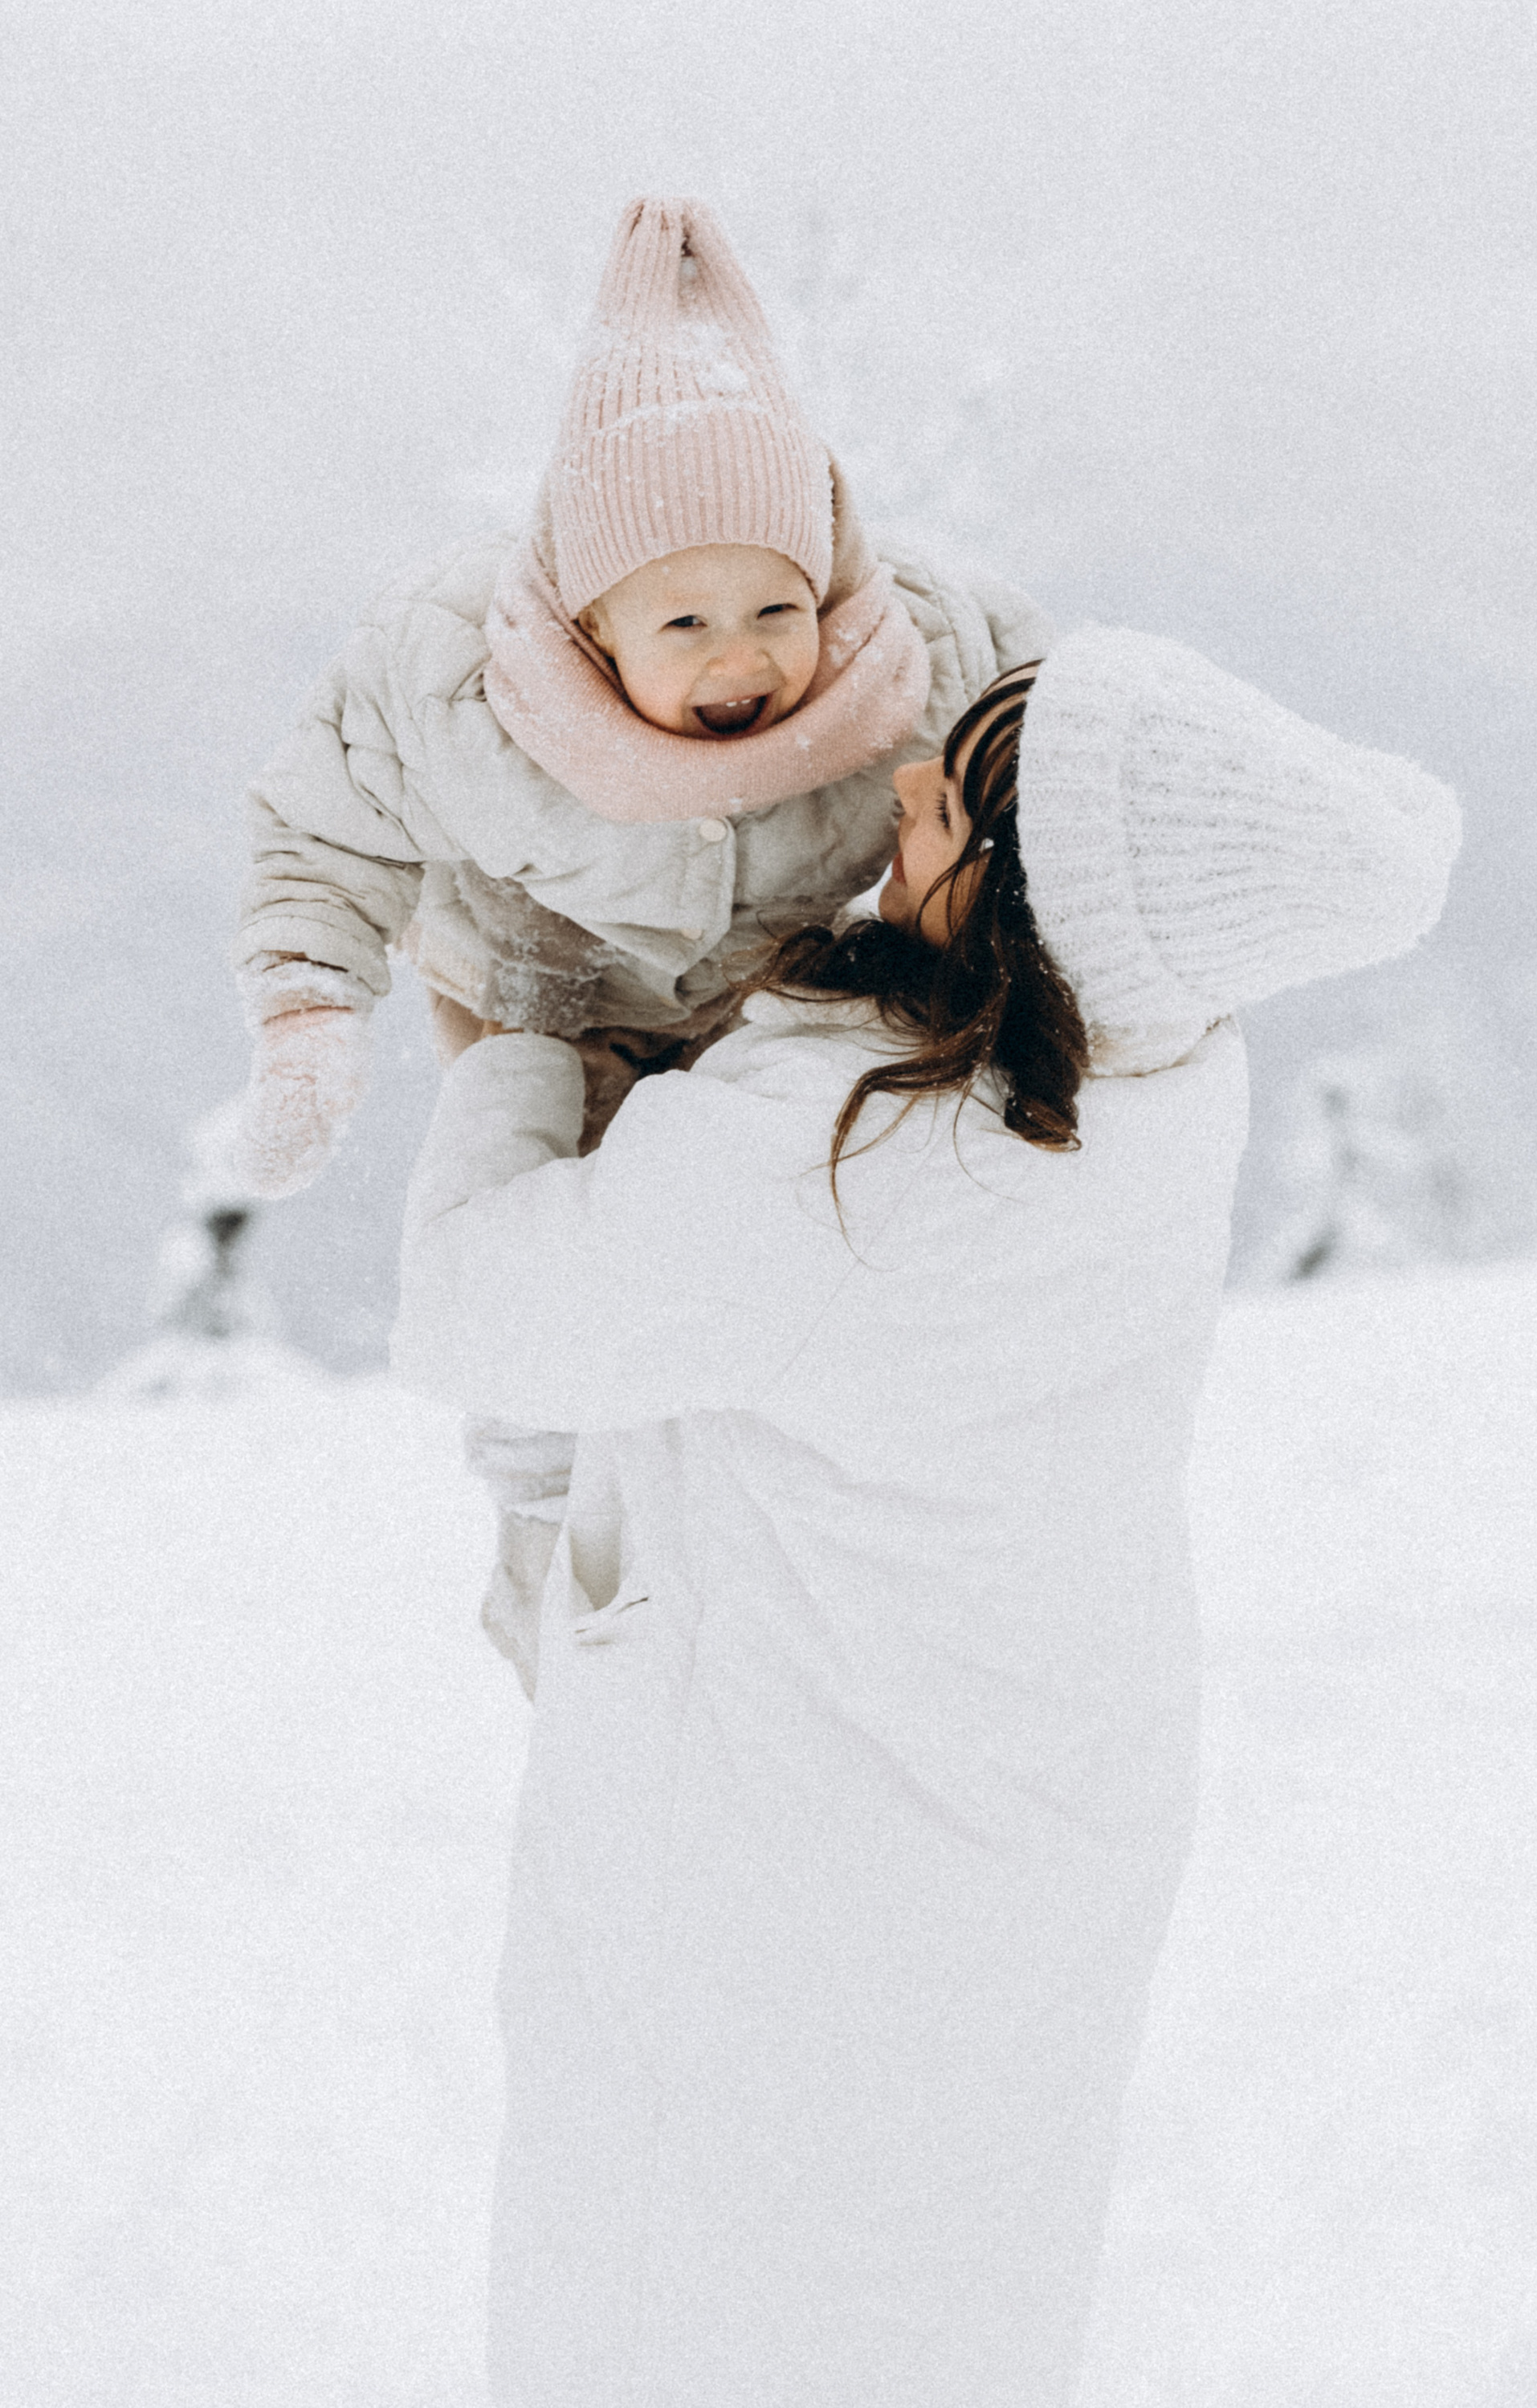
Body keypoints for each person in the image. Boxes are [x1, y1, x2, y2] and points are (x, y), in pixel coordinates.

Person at [388, 627, 1462, 2408]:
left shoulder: (847, 1154)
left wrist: (508, 1055)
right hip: (1024, 1817)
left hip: (797, 1879)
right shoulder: (1153, 1068)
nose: (900, 794)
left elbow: (479, 1309)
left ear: (1013, 897)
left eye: (946, 794)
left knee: (691, 2309)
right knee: (938, 2304)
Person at [229, 194, 1045, 1668]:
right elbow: (320, 826)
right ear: (590, 622)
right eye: (683, 628)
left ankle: (786, 1578)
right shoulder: (451, 675)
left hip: (771, 1020)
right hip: (544, 1019)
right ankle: (546, 1565)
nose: (745, 660)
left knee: (766, 1291)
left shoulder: (923, 655)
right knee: (540, 1302)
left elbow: (1061, 751)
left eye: (777, 608)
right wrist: (307, 1014)